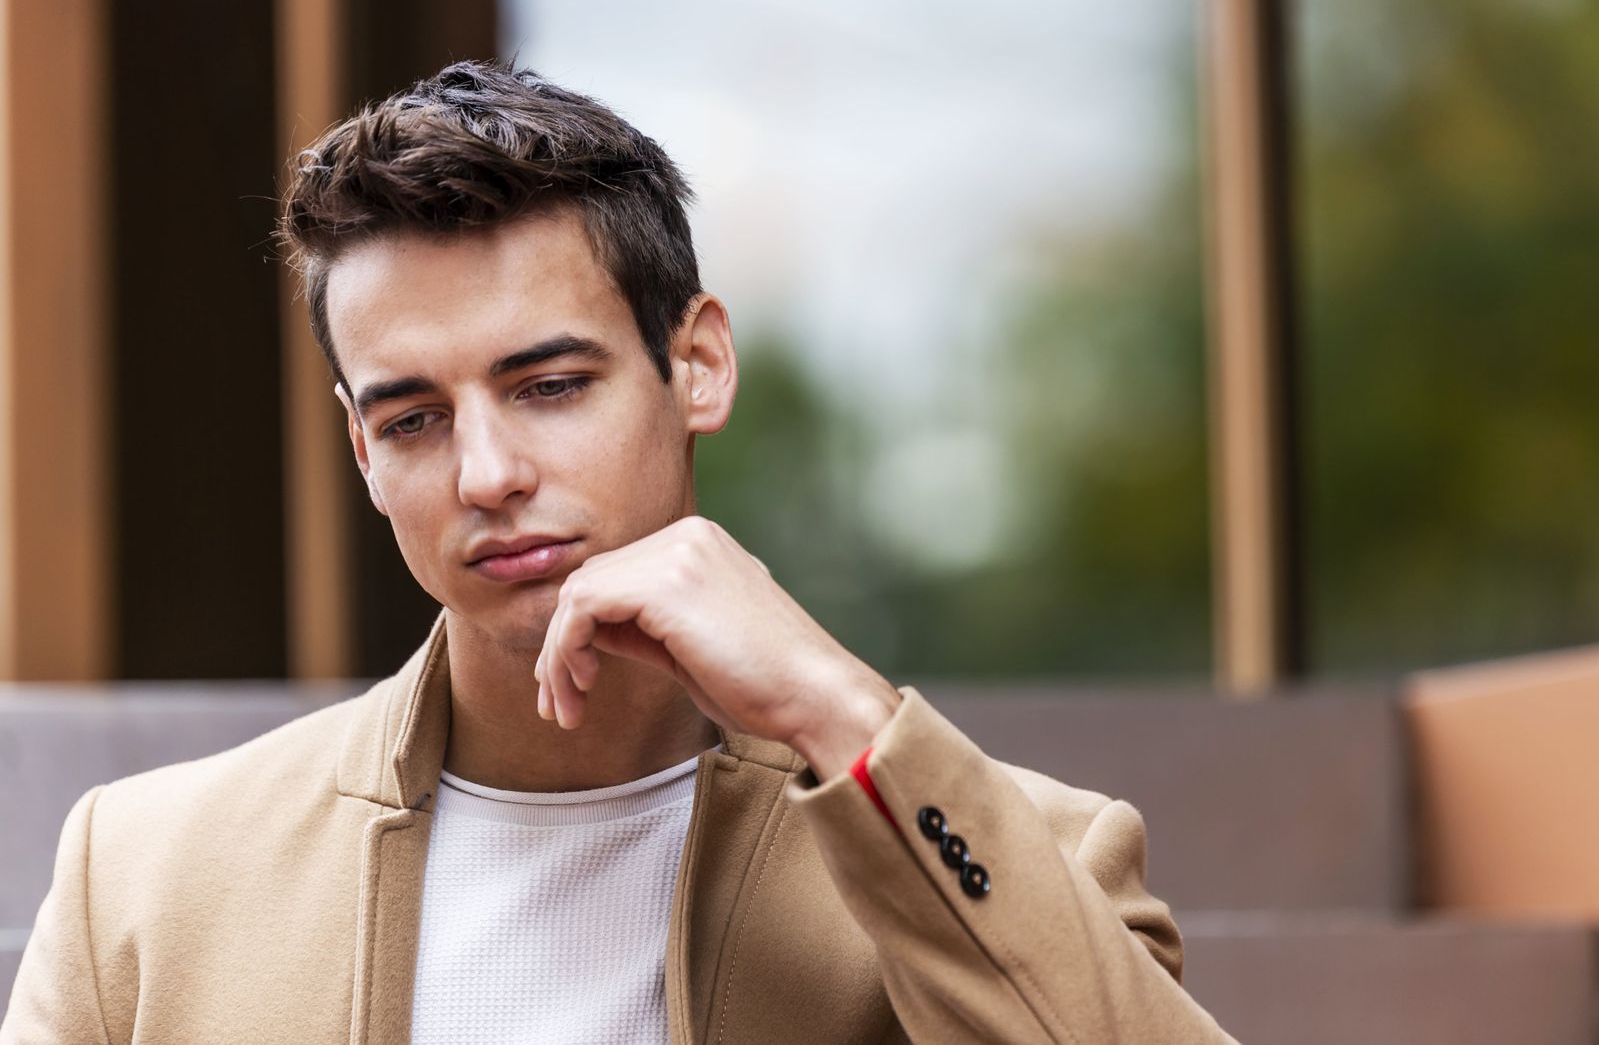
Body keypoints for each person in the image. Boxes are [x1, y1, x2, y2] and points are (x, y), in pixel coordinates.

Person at [1, 62, 1235, 1044]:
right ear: (362, 452)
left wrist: (842, 716)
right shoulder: (146, 880)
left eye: (547, 385)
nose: (486, 475)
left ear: (696, 363)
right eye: (414, 417)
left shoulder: (1019, 855)